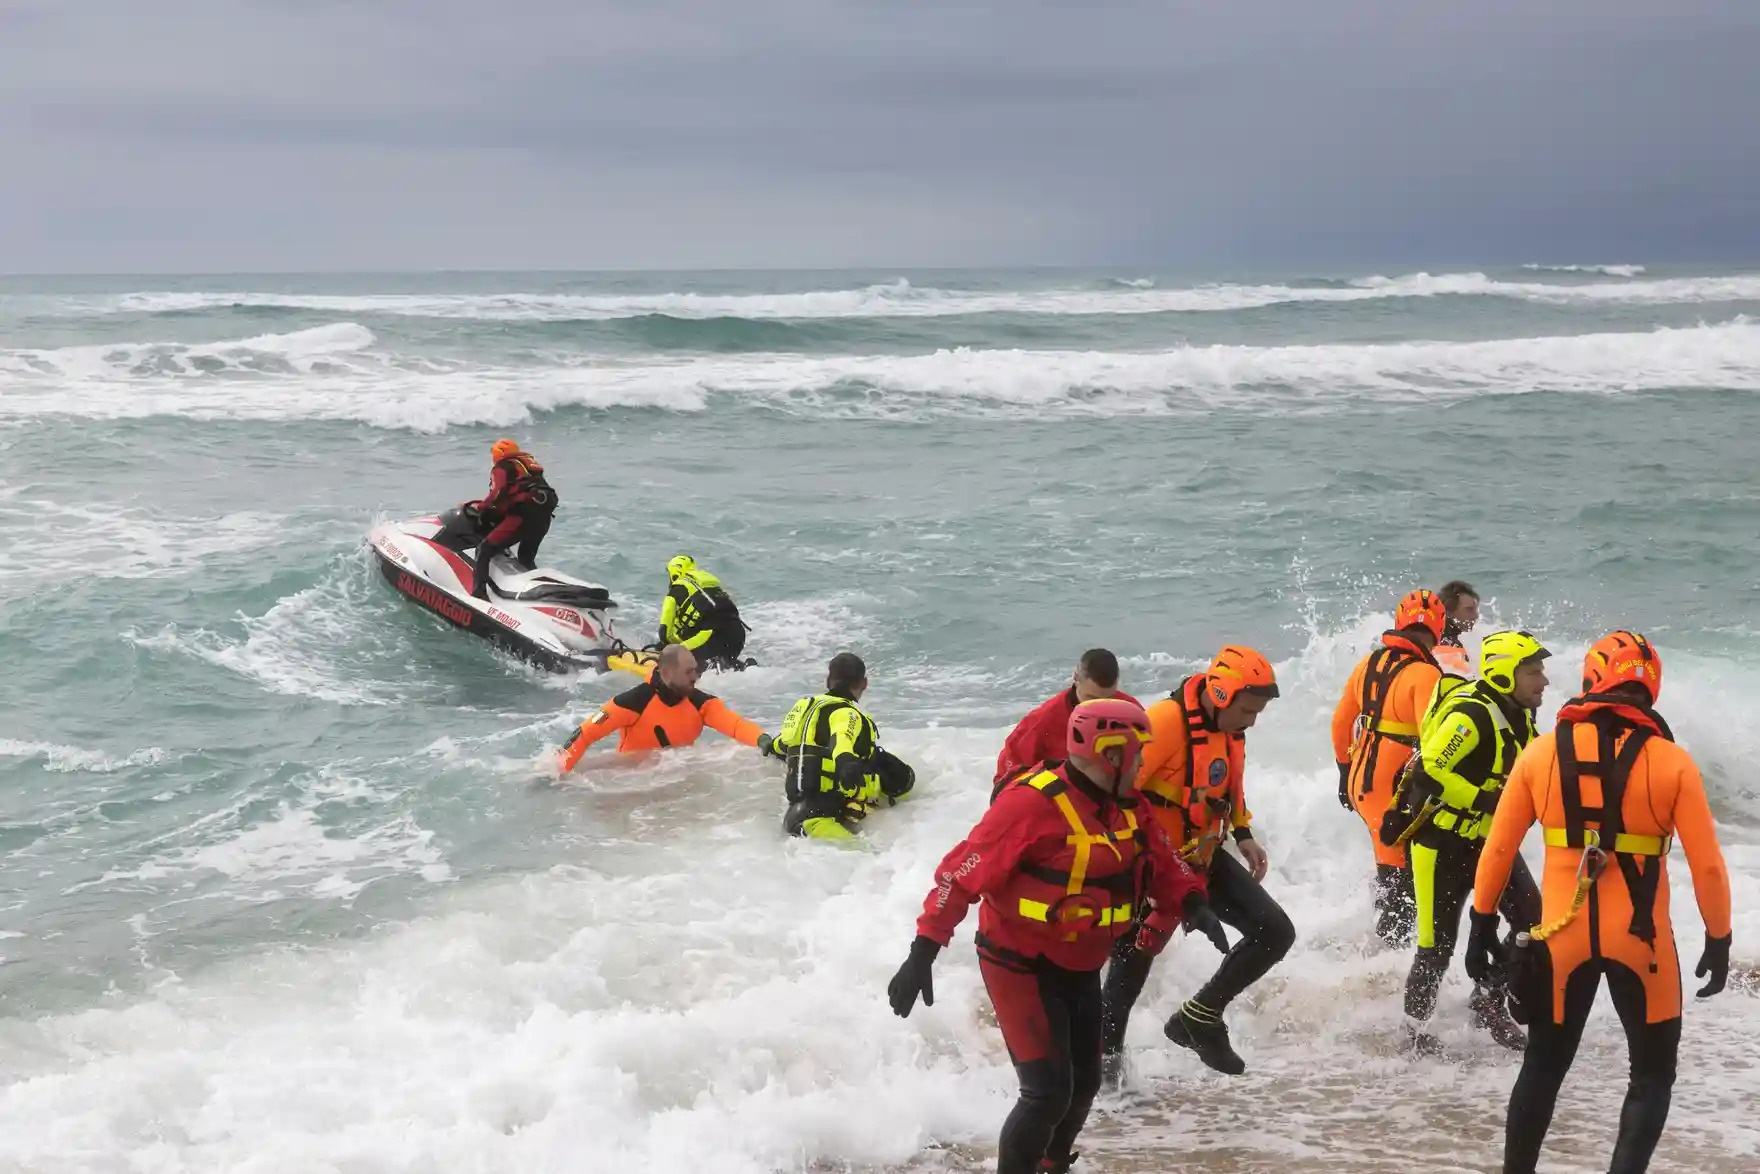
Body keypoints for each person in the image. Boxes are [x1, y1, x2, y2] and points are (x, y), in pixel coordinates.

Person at [885, 699, 1220, 1174]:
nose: (1145, 761)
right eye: (1138, 752)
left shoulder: (1131, 808)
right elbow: (956, 877)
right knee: (1045, 1094)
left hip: (1081, 964)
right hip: (1018, 962)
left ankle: (1052, 1165)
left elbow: (1166, 865)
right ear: (1110, 753)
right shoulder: (1029, 805)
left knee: (1083, 1087)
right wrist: (922, 953)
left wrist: (1193, 903)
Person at [1468, 631, 1732, 1174]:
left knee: (1542, 1066)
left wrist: (1480, 923)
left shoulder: (1541, 753)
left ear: (1592, 679)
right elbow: (1707, 864)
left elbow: (1499, 848)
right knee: (1652, 1076)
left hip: (1560, 940)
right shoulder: (1672, 762)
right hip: (1643, 942)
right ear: (1650, 686)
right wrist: (1719, 937)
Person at [1100, 645, 1291, 1078]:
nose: (1252, 721)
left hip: (1202, 855)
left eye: (1257, 712)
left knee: (1275, 931)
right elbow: (1115, 798)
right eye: (1247, 710)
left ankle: (1198, 1018)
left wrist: (1242, 833)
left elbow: (1227, 784)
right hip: (1149, 863)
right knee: (1127, 979)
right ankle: (1104, 1079)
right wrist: (1143, 870)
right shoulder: (1165, 723)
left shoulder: (1230, 728)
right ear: (1221, 696)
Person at [1382, 629, 1549, 1055]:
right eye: (1534, 671)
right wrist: (1489, 800)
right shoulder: (1471, 715)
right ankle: (1413, 1036)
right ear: (1505, 676)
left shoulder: (1523, 715)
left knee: (1534, 924)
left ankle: (1488, 999)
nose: (1544, 680)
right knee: (1435, 948)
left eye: (1541, 670)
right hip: (1441, 845)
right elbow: (1431, 770)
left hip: (1490, 844)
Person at [1331, 588, 1447, 945]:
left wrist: (1343, 771)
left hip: (1361, 779)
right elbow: (1434, 742)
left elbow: (1339, 723)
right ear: (1438, 629)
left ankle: (1379, 949)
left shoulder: (1368, 664)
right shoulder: (1425, 675)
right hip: (1395, 784)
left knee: (1389, 866)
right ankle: (1392, 958)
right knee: (1405, 876)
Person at [556, 644, 776, 769]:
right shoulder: (635, 701)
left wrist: (763, 740)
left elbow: (736, 726)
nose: (696, 677)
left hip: (674, 775)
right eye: (689, 672)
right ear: (667, 673)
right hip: (630, 781)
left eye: (696, 670)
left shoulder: (700, 703)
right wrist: (558, 772)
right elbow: (584, 734)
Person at [774, 652, 915, 839]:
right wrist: (847, 764)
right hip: (821, 822)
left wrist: (766, 742)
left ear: (827, 680)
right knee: (875, 865)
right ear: (864, 683)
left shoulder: (803, 709)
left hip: (794, 817)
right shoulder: (848, 714)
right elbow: (842, 742)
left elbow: (780, 745)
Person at [993, 649, 1141, 792]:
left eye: (1107, 699)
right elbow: (1006, 778)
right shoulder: (1043, 721)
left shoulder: (1132, 711)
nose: (1098, 707)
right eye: (1091, 699)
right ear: (1076, 678)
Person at [469, 438, 558, 599]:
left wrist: (481, 507)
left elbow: (497, 494)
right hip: (543, 519)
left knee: (484, 549)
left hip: (521, 517)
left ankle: (479, 594)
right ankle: (542, 595)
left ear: (498, 454)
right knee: (526, 558)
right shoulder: (530, 469)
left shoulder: (502, 467)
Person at [657, 554, 751, 671]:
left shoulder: (675, 593)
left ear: (675, 574)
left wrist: (669, 647)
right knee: (724, 663)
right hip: (737, 634)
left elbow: (664, 634)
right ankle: (748, 668)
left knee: (676, 656)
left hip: (712, 635)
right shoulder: (711, 588)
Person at [1435, 579, 1481, 674]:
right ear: (1449, 612)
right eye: (1469, 610)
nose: (1476, 615)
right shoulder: (1449, 643)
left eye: (1475, 609)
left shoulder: (1435, 633)